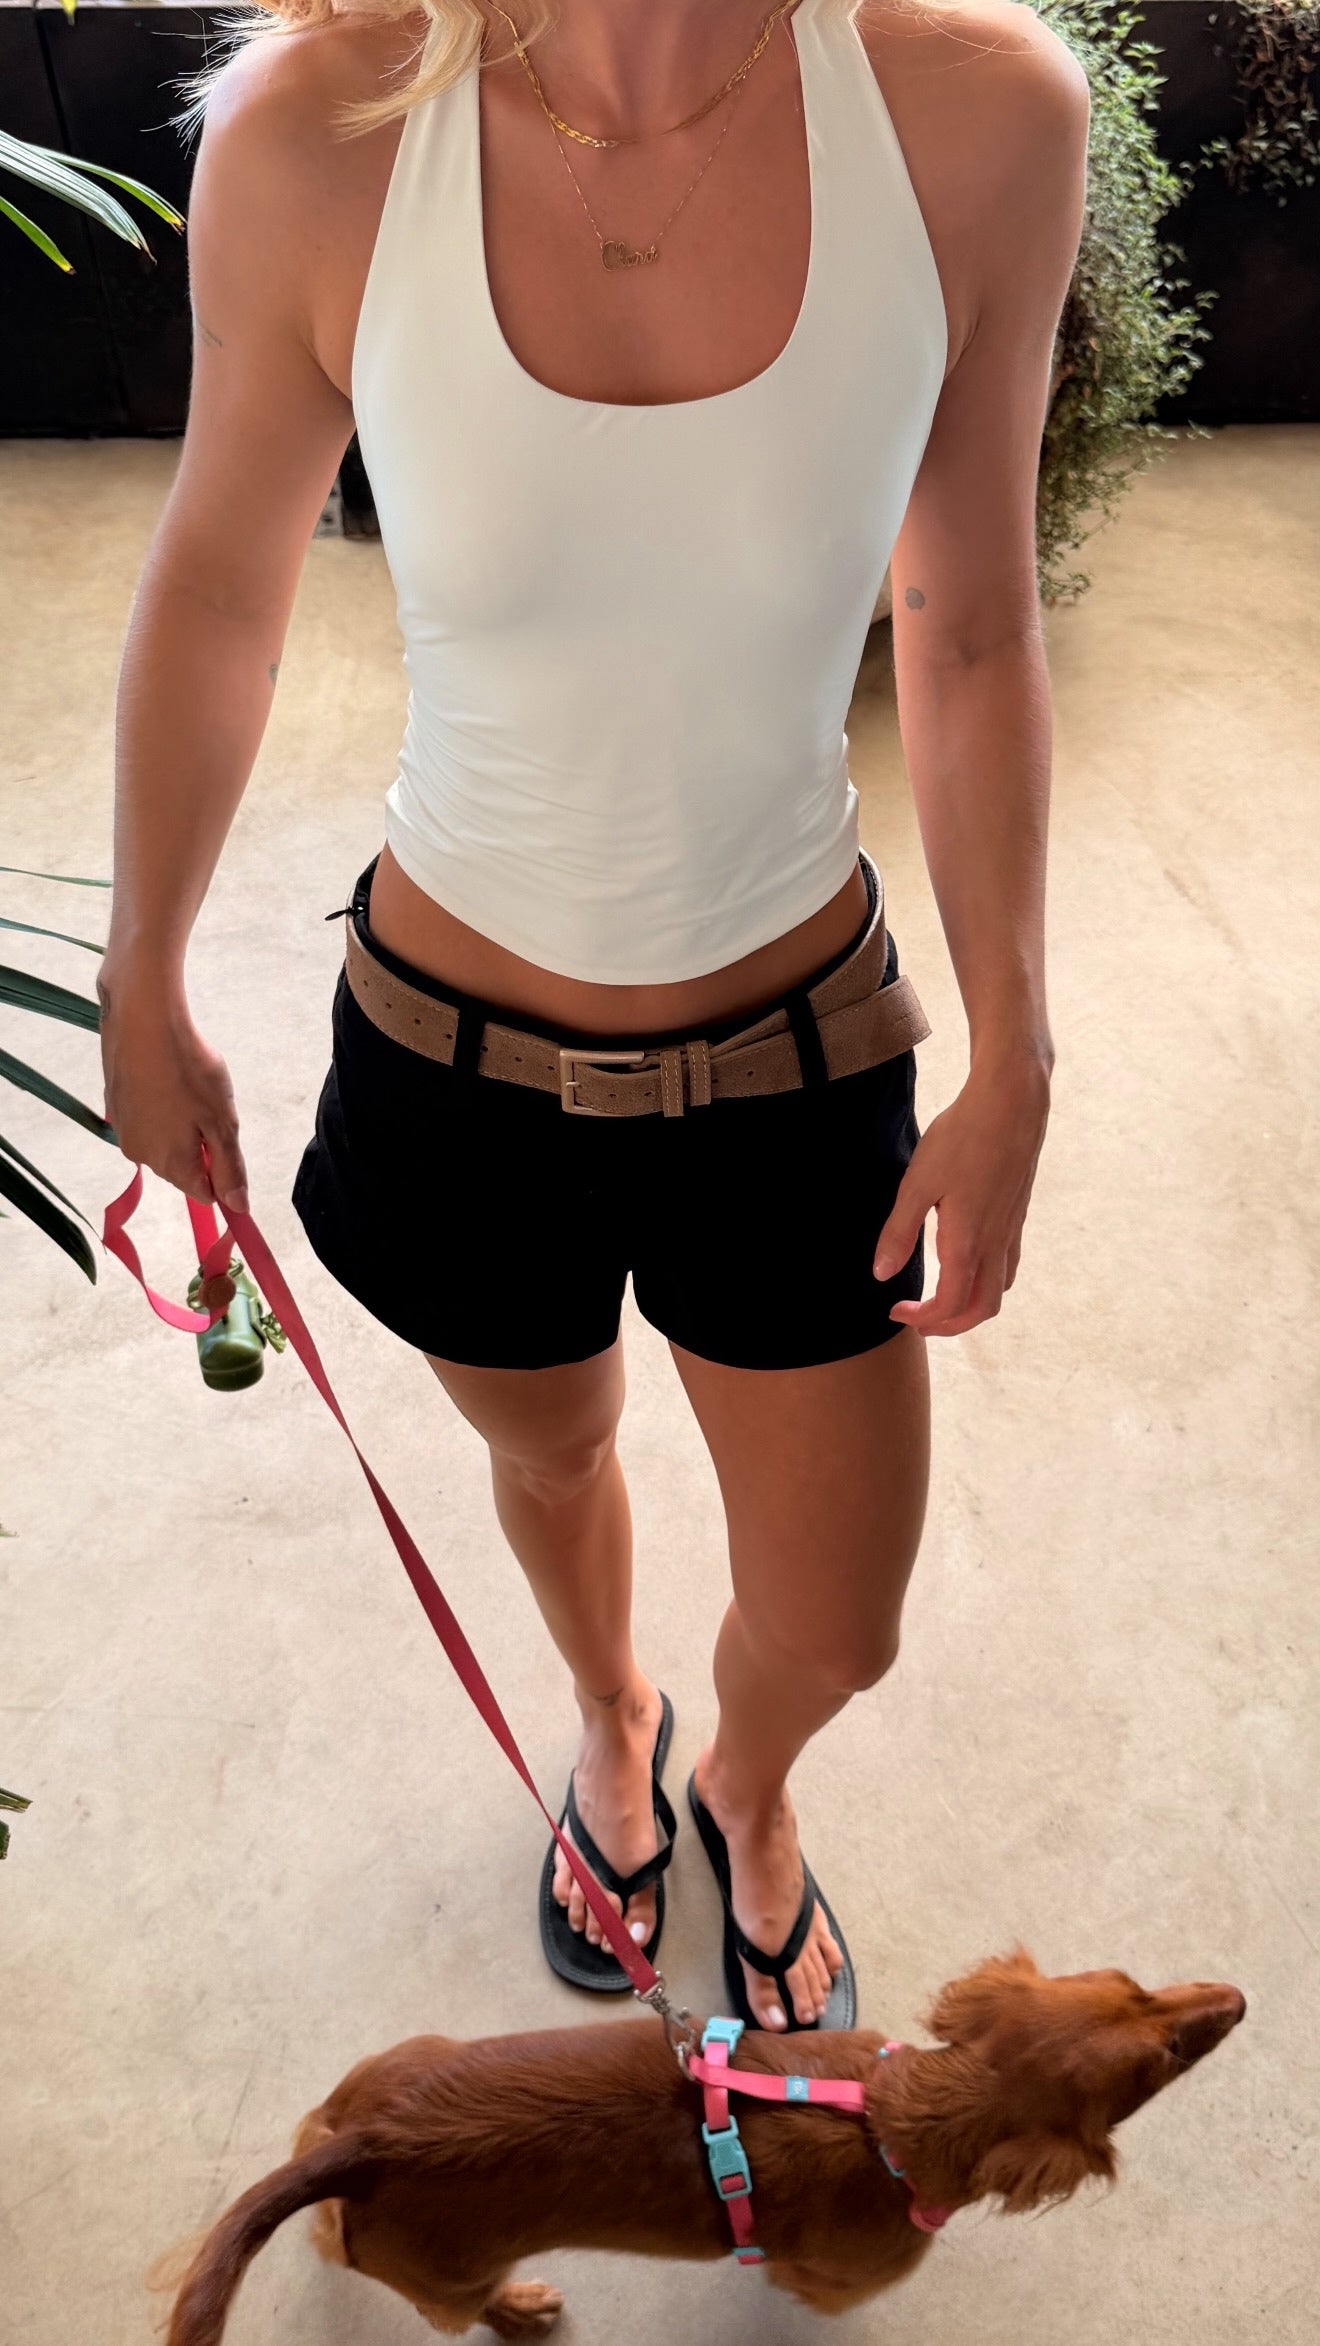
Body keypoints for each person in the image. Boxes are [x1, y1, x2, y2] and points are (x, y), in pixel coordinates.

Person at [99, 0, 1087, 2033]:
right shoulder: (317, 129)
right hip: (450, 1059)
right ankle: (615, 1715)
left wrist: (1018, 1047)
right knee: (552, 1457)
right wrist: (145, 959)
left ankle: (749, 1781)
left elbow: (974, 615)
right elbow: (219, 582)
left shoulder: (978, 117)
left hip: (796, 1055)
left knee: (841, 1617)